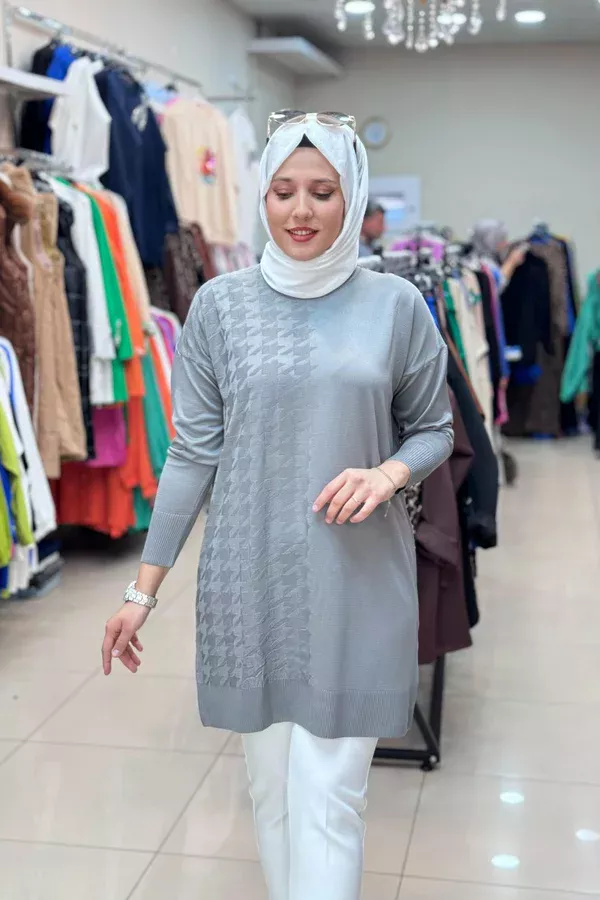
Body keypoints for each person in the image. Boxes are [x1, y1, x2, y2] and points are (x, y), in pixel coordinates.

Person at [102, 111, 454, 900]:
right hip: (248, 581)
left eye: (323, 192)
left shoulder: (396, 304)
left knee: (329, 798)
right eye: (283, 191)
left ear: (351, 196)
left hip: (358, 580)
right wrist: (141, 592)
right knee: (271, 794)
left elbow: (434, 429)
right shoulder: (218, 306)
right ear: (260, 196)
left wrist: (388, 473)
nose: (301, 210)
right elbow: (192, 454)